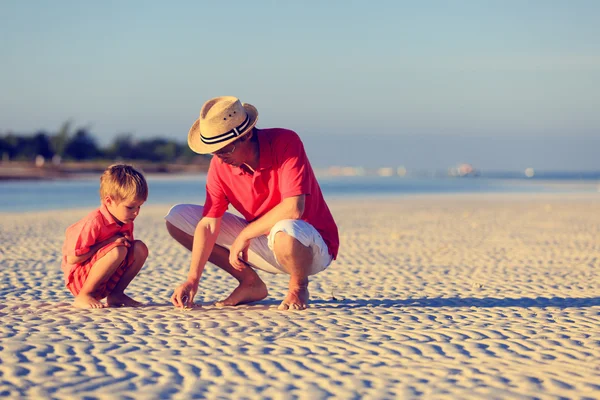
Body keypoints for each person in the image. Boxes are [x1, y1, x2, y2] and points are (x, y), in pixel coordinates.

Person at [166, 96, 339, 311]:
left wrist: (245, 235)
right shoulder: (220, 165)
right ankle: (250, 283)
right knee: (177, 216)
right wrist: (193, 279)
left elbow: (294, 208)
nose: (219, 158)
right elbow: (209, 223)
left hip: (310, 249)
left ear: (247, 134)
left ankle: (298, 286)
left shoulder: (285, 142)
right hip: (264, 244)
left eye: (224, 150)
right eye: (214, 151)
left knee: (285, 228)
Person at [61, 164, 149, 309]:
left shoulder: (125, 221)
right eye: (130, 207)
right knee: (117, 250)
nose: (136, 212)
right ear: (109, 201)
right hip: (80, 280)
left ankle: (116, 294)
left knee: (140, 248)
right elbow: (73, 258)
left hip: (106, 280)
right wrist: (109, 242)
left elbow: (128, 254)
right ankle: (84, 296)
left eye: (139, 206)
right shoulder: (94, 222)